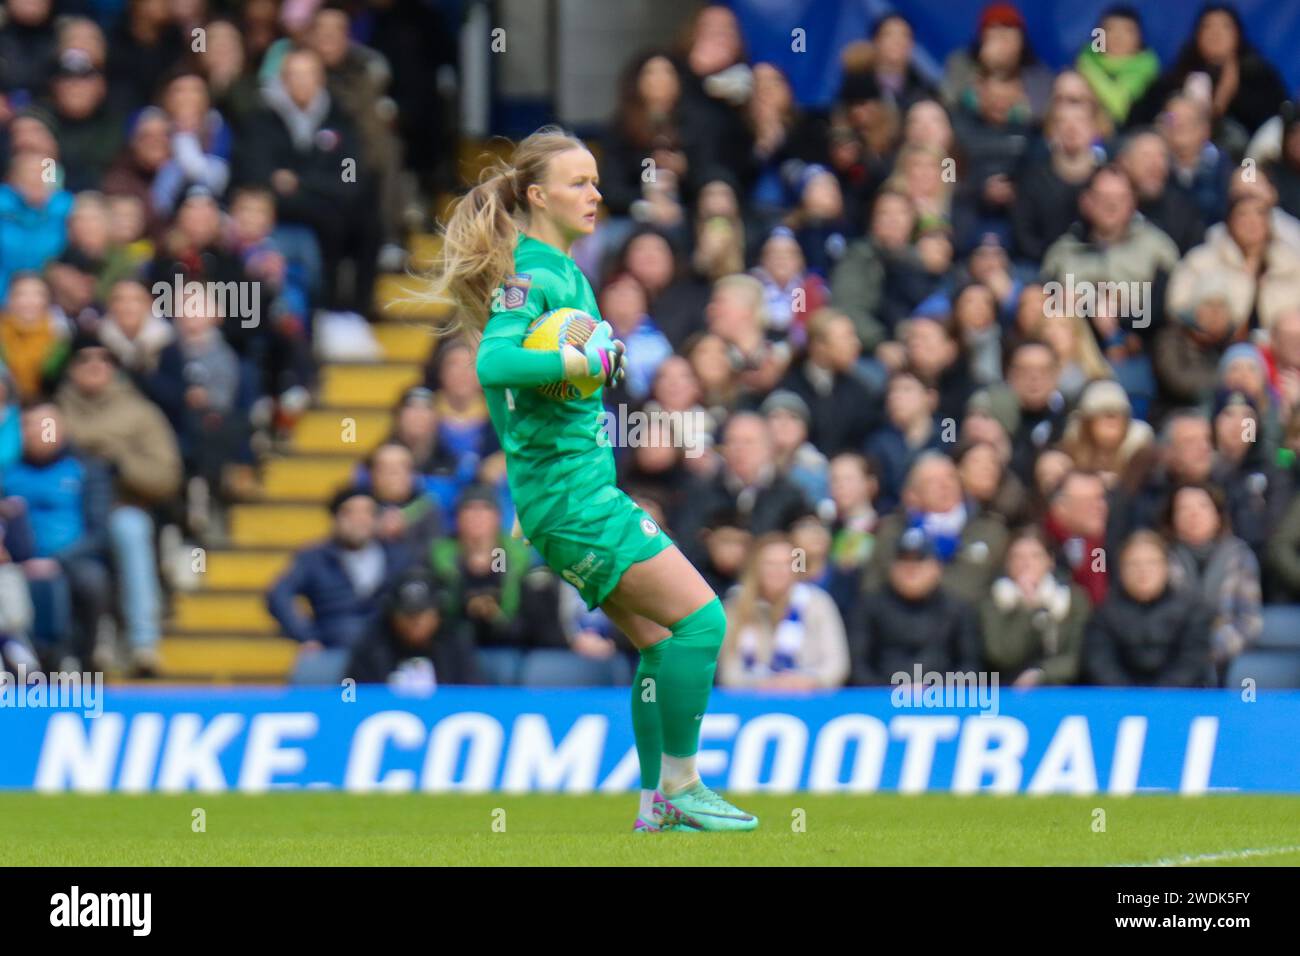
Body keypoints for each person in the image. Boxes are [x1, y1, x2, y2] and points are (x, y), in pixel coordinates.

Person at [425, 126, 756, 832]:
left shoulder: (566, 273)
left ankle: (653, 809)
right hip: (574, 501)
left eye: (597, 181)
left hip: (566, 497)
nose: (596, 193)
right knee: (704, 622)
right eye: (579, 182)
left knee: (660, 644)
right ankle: (683, 784)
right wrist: (577, 366)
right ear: (537, 195)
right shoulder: (534, 273)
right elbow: (494, 364)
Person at [717, 532, 850, 689]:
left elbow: (836, 664)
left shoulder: (817, 603)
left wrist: (808, 681)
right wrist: (761, 683)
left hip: (810, 698)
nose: (778, 571)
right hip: (751, 700)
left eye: (787, 564)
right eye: (770, 564)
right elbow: (729, 673)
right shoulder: (735, 607)